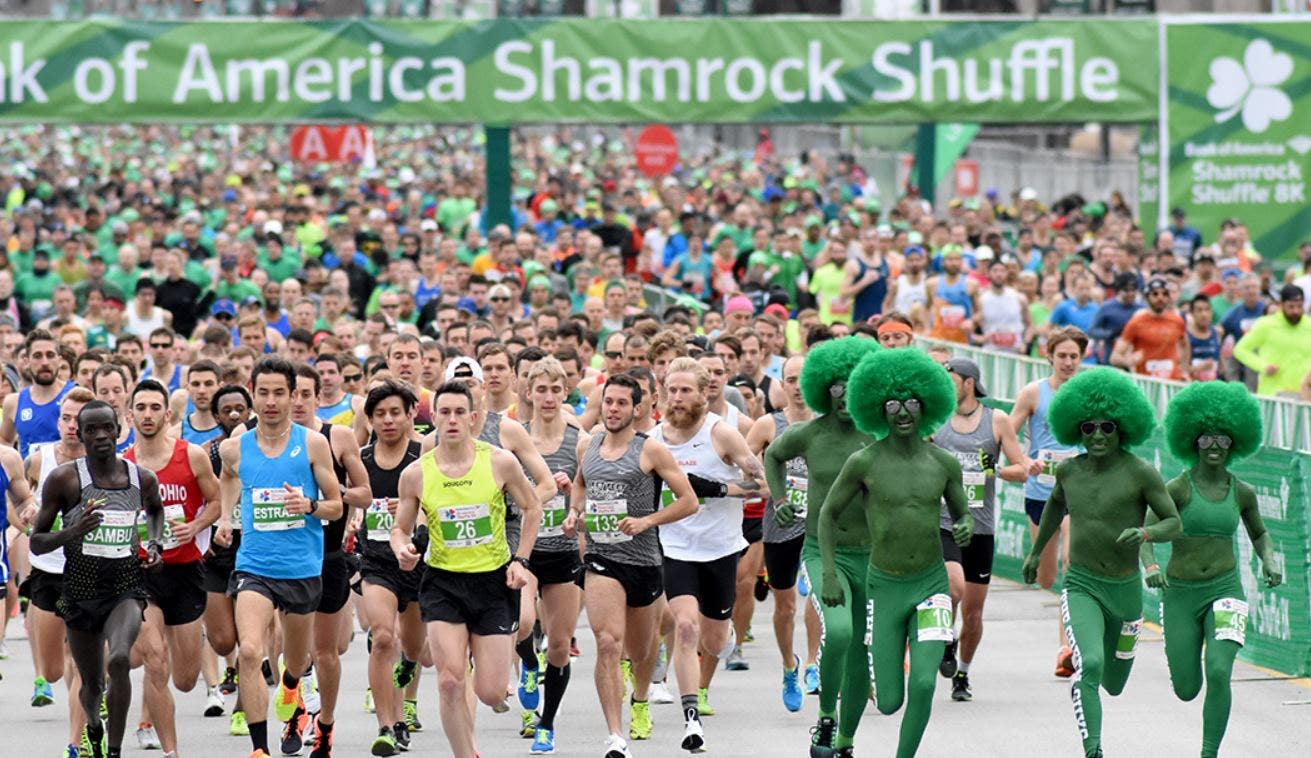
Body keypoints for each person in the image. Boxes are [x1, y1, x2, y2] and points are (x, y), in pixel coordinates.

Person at [819, 347, 974, 758]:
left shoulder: (944, 464)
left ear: (927, 406)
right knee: (888, 700)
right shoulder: (862, 461)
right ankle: (845, 729)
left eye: (911, 403)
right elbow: (827, 515)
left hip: (932, 584)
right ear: (877, 409)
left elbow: (963, 515)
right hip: (883, 588)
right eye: (891, 404)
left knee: (924, 683)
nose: (902, 412)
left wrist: (964, 526)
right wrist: (830, 573)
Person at [1022, 367, 1182, 758]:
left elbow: (1173, 522)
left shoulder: (1141, 472)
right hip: (1081, 585)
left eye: (1107, 427)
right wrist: (1034, 552)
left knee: (1115, 682)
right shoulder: (1069, 470)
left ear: (1123, 428)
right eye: (1089, 427)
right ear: (1076, 427)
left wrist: (1146, 535)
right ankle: (1093, 748)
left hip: (1126, 593)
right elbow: (1053, 509)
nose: (1096, 435)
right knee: (1090, 665)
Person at [390, 381, 543, 758]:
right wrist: (402, 550)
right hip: (442, 582)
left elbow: (533, 507)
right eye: (445, 412)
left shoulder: (499, 462)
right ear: (434, 419)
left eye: (461, 412)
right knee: (449, 682)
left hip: (492, 582)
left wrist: (520, 560)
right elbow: (399, 528)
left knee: (490, 691)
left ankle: (501, 669)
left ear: (474, 418)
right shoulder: (416, 473)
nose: (453, 419)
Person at [565, 373, 699, 758]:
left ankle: (640, 698)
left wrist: (647, 521)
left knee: (640, 651)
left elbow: (688, 501)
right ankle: (615, 734)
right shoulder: (588, 445)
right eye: (608, 401)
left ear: (637, 408)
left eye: (622, 402)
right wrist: (575, 512)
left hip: (642, 560)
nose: (613, 409)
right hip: (602, 558)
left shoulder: (651, 450)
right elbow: (580, 484)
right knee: (608, 642)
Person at [217, 356, 344, 758]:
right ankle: (260, 749)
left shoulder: (312, 443)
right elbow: (227, 479)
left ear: (293, 396)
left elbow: (337, 506)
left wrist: (307, 505)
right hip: (254, 565)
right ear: (253, 394)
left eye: (279, 393)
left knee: (297, 658)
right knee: (251, 651)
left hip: (303, 568)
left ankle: (291, 684)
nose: (271, 401)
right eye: (263, 392)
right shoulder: (234, 448)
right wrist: (224, 516)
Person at [1147, 382, 1280, 758]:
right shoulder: (1176, 489)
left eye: (1223, 438)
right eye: (1206, 439)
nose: (1215, 446)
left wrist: (1269, 557)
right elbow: (1144, 532)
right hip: (1180, 594)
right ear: (1192, 440)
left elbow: (1260, 533)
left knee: (1219, 672)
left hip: (1226, 591)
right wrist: (1151, 565)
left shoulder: (1243, 492)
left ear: (1235, 441)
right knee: (1187, 688)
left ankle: (1209, 752)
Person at [762, 335, 878, 757]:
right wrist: (778, 500)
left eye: (854, 382)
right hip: (821, 549)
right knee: (841, 631)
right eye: (836, 385)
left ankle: (845, 739)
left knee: (861, 649)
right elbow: (772, 457)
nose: (845, 392)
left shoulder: (878, 433)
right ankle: (826, 717)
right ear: (823, 388)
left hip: (873, 555)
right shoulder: (806, 433)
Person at [30, 399, 166, 758]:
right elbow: (37, 541)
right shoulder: (65, 479)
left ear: (120, 431)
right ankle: (94, 726)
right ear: (82, 434)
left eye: (108, 427)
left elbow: (155, 510)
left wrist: (155, 544)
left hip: (125, 589)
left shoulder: (141, 478)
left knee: (119, 658)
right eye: (93, 429)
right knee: (92, 684)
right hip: (80, 593)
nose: (102, 435)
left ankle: (115, 751)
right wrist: (72, 531)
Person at [648, 357, 766, 751]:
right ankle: (691, 716)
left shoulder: (722, 435)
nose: (677, 398)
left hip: (719, 547)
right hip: (675, 545)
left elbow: (762, 487)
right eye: (671, 390)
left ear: (703, 394)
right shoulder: (654, 438)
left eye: (685, 391)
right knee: (684, 627)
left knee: (715, 642)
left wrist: (714, 489)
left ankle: (726, 634)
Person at [124, 379, 223, 758]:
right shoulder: (123, 465)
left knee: (183, 680)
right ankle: (171, 751)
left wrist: (196, 527)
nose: (148, 415)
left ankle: (192, 642)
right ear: (130, 416)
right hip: (142, 574)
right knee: (154, 659)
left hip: (185, 572)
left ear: (167, 415)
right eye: (141, 408)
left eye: (155, 408)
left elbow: (216, 501)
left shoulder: (192, 455)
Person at [934, 359, 1037, 701]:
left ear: (969, 383)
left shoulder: (997, 420)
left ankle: (962, 672)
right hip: (945, 522)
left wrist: (992, 470)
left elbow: (1022, 469)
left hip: (980, 527)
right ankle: (946, 639)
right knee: (952, 589)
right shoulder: (937, 420)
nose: (946, 385)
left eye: (951, 380)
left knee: (974, 612)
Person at [286, 363, 372, 758]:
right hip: (283, 557)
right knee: (289, 648)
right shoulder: (265, 442)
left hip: (328, 555)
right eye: (294, 394)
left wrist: (330, 493)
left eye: (307, 394)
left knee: (326, 652)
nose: (299, 402)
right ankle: (295, 714)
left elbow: (365, 494)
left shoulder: (336, 438)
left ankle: (325, 726)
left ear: (318, 398)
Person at [18, 388, 95, 757]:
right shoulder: (39, 459)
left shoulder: (105, 464)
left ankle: (76, 742)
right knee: (51, 670)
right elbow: (20, 498)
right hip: (48, 572)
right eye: (65, 417)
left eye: (79, 420)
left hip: (92, 574)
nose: (70, 426)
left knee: (85, 667)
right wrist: (27, 510)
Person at [518, 357, 589, 754]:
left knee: (560, 646)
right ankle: (528, 663)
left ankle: (546, 723)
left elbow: (595, 490)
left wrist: (572, 503)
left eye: (555, 390)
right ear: (528, 393)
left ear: (566, 393)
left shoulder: (580, 439)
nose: (547, 397)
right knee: (523, 623)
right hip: (524, 550)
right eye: (540, 389)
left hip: (562, 550)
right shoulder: (516, 437)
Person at [1009, 325, 1086, 676]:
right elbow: (1006, 432)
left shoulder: (1089, 393)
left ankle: (1066, 648)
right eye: (1062, 356)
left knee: (1073, 562)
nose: (1068, 362)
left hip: (1079, 492)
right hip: (1041, 492)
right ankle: (1039, 560)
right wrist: (1027, 462)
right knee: (1046, 576)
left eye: (1074, 356)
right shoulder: (1033, 393)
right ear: (1050, 357)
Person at [357, 379, 426, 756]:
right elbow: (347, 496)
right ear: (369, 419)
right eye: (380, 414)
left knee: (414, 649)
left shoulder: (422, 456)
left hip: (418, 563)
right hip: (377, 563)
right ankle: (386, 725)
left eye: (395, 413)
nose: (388, 421)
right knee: (383, 637)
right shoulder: (363, 460)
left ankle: (408, 672)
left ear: (410, 415)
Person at [745, 353, 815, 712]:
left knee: (820, 595)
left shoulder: (828, 424)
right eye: (790, 380)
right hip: (780, 525)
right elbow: (743, 471)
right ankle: (790, 665)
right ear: (782, 385)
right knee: (785, 606)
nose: (798, 387)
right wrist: (767, 485)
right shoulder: (768, 426)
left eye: (804, 379)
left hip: (819, 524)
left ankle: (815, 662)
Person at [1, 329, 76, 459]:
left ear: (59, 360)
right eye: (37, 356)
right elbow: (4, 440)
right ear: (26, 361)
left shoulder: (76, 394)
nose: (45, 362)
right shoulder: (14, 402)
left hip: (70, 476)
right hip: (30, 478)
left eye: (50, 355)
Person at [1233, 283, 1311, 397]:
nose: (1295, 311)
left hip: (1303, 396)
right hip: (1273, 395)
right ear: (1281, 305)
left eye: (1299, 306)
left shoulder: (1309, 325)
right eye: (1291, 306)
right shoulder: (1266, 324)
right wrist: (1263, 366)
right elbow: (1240, 350)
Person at [1112, 277, 1190, 380]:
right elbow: (1114, 357)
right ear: (1147, 297)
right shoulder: (1136, 322)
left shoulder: (1177, 321)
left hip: (1171, 382)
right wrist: (1128, 361)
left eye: (1164, 294)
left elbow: (1185, 345)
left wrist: (1184, 370)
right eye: (1155, 294)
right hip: (1146, 382)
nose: (1160, 298)